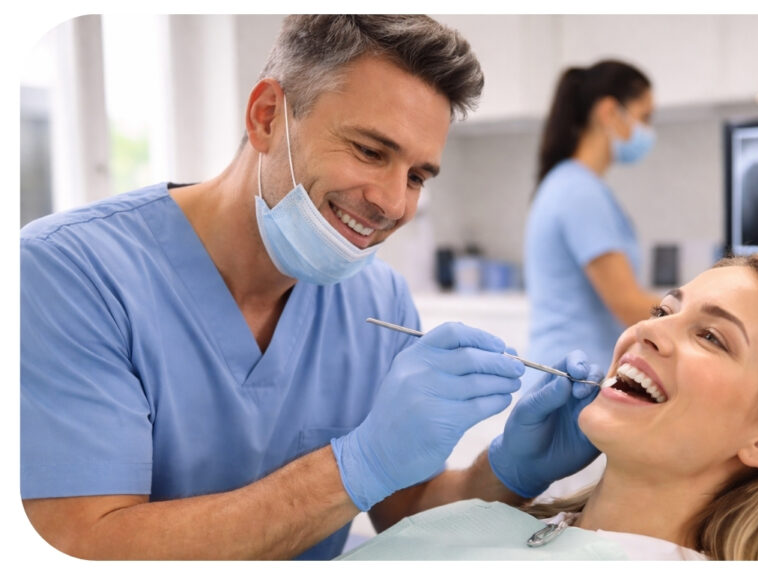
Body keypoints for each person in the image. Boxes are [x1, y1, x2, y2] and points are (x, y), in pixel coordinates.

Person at [20, 15, 599, 560]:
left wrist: (509, 471)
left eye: (418, 176)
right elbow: (81, 548)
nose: (394, 204)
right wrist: (353, 465)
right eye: (371, 151)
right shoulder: (68, 275)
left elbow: (407, 506)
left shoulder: (378, 301)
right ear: (268, 116)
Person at [337, 254, 758, 560]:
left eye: (712, 337)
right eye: (662, 309)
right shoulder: (496, 522)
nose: (647, 331)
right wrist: (504, 473)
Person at [524, 59, 663, 378]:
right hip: (571, 380)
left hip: (570, 374)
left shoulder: (571, 184)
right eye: (645, 117)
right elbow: (627, 303)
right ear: (609, 112)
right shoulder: (579, 191)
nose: (648, 131)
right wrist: (700, 314)